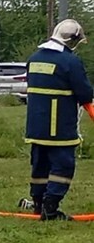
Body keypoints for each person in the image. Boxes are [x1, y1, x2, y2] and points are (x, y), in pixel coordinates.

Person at [24, 18, 92, 221]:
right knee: (63, 166)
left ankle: (38, 204)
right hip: (59, 126)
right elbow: (85, 93)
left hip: (36, 125)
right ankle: (51, 208)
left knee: (40, 165)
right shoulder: (70, 61)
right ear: (72, 40)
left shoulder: (34, 58)